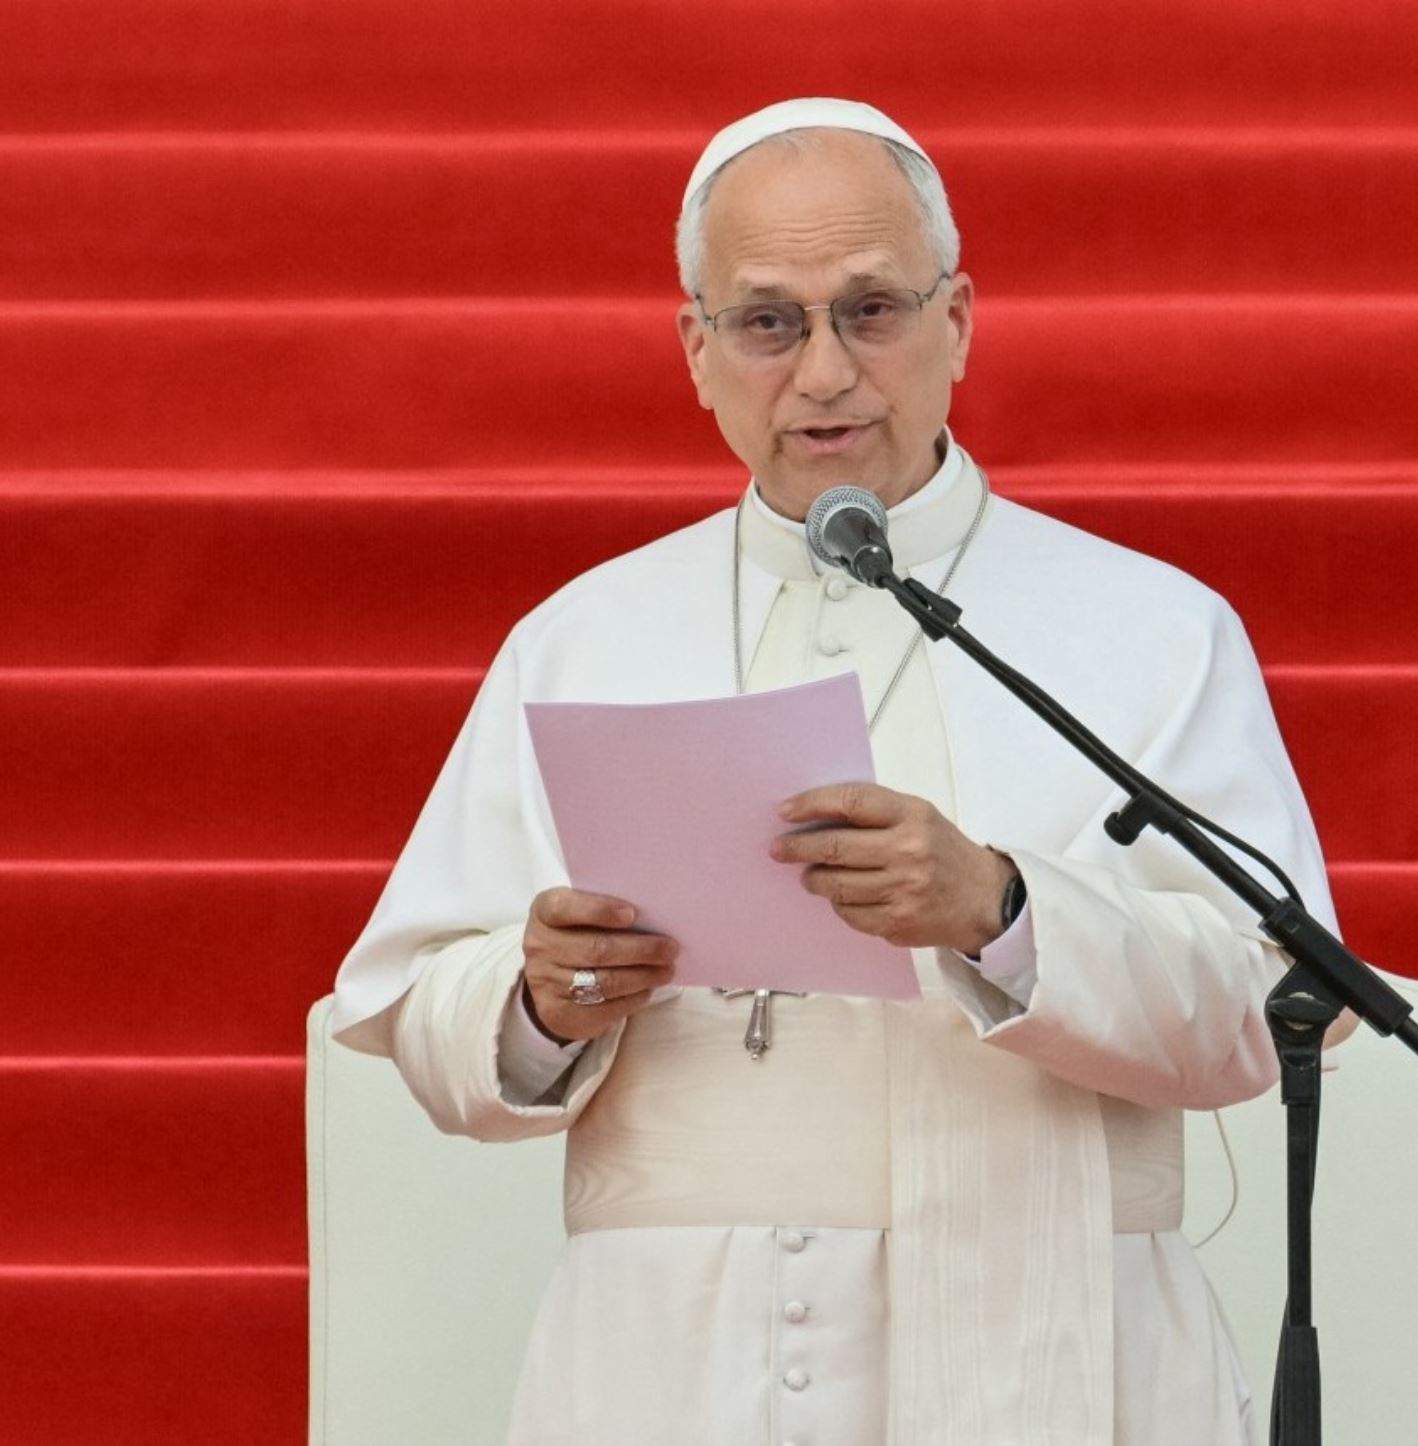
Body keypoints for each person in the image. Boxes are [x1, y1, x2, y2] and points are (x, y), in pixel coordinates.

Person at [334, 96, 1344, 1446]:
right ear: (696, 349)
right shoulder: (579, 639)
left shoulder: (1150, 628)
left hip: (1058, 1341)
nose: (822, 373)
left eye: (871, 309)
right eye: (768, 321)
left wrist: (1002, 909)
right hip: (671, 1369)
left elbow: (1278, 1003)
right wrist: (539, 1000)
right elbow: (417, 1011)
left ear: (959, 321)